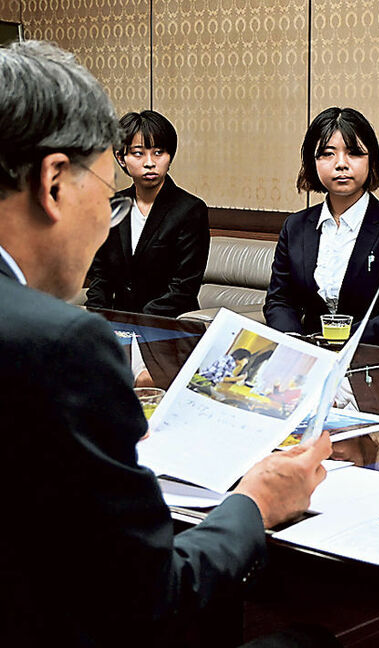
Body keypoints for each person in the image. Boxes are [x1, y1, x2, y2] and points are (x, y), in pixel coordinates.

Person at [0, 40, 332, 646]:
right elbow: (149, 593)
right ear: (53, 183)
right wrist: (256, 503)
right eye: (106, 188)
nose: (108, 219)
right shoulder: (60, 345)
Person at [264, 107, 379, 348]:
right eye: (327, 154)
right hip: (308, 360)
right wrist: (295, 344)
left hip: (377, 360)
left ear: (371, 159)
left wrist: (341, 343)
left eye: (354, 153)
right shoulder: (295, 226)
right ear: (313, 162)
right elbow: (279, 300)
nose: (341, 164)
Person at [85, 109, 210, 317]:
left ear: (170, 156)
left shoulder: (190, 210)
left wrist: (139, 321)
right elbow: (101, 278)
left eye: (158, 152)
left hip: (170, 326)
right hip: (119, 327)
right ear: (121, 157)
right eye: (138, 153)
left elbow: (183, 287)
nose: (150, 162)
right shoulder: (110, 207)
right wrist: (98, 320)